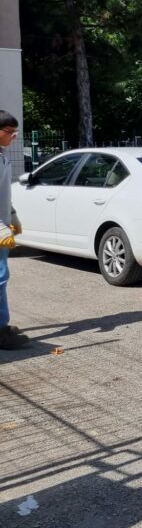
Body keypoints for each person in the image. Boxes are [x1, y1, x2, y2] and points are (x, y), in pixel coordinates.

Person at [0, 111, 28, 349]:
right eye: (9, 132)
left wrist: (12, 216)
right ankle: (1, 330)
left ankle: (2, 325)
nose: (13, 136)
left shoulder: (3, 157)